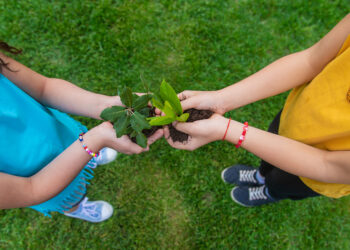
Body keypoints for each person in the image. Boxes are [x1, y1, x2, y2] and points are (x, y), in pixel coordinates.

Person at [165, 14, 350, 207]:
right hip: (294, 117)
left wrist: (226, 129)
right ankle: (260, 175)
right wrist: (220, 100)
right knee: (268, 154)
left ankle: (268, 191)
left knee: (282, 183)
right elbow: (312, 60)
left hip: (315, 172)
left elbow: (325, 164)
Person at [0, 41, 163, 222]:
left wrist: (106, 106)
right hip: (39, 174)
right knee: (70, 194)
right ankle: (75, 207)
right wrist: (94, 140)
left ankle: (88, 155)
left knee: (76, 145)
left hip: (54, 132)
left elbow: (43, 88)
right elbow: (33, 189)